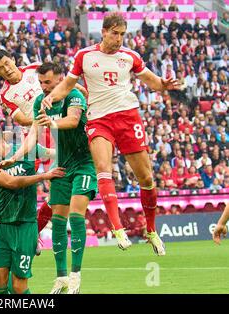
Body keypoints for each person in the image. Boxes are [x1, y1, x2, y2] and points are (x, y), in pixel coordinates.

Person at [42, 13, 180, 256]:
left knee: (146, 178)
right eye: (115, 33)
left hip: (128, 117)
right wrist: (52, 96)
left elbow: (152, 81)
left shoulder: (130, 57)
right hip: (99, 119)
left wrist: (164, 84)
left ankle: (150, 230)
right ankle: (118, 228)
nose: (118, 39)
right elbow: (68, 84)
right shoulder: (84, 56)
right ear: (104, 31)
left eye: (122, 34)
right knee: (103, 168)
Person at [0, 62, 97, 294]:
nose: (43, 87)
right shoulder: (40, 102)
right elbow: (33, 133)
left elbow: (73, 120)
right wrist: (15, 156)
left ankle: (75, 276)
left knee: (75, 215)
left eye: (48, 82)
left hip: (85, 163)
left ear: (61, 79)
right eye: (40, 82)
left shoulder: (72, 95)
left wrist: (50, 122)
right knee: (59, 221)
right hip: (62, 165)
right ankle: (61, 277)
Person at [0, 49, 87, 252]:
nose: (6, 69)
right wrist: (42, 119)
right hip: (35, 137)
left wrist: (80, 91)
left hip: (59, 130)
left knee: (57, 189)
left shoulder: (33, 69)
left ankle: (32, 229)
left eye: (6, 63)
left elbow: (62, 81)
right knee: (22, 182)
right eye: (0, 69)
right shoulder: (5, 95)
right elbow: (20, 118)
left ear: (12, 59)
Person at [0, 121, 64, 294]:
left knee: (18, 284)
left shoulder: (27, 150)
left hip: (25, 226)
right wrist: (45, 175)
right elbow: (12, 183)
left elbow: (56, 154)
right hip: (1, 226)